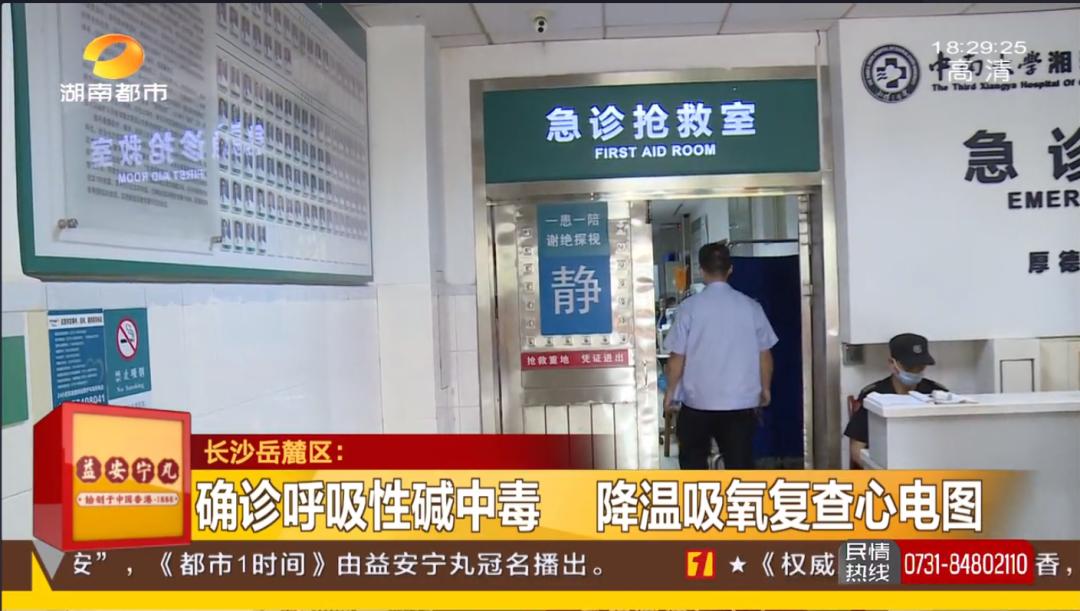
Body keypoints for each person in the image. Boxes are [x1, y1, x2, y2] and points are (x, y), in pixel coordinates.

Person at [663, 241, 778, 470]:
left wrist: (670, 392)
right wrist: (765, 388)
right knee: (740, 466)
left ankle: (699, 494)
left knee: (694, 464)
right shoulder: (751, 307)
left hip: (697, 404)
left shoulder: (689, 308)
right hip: (740, 404)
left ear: (701, 270)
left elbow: (677, 358)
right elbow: (764, 354)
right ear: (730, 269)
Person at [845, 333, 948, 467]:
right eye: (909, 367)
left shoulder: (937, 393)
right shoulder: (873, 396)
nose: (915, 372)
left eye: (920, 367)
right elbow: (856, 449)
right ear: (892, 364)